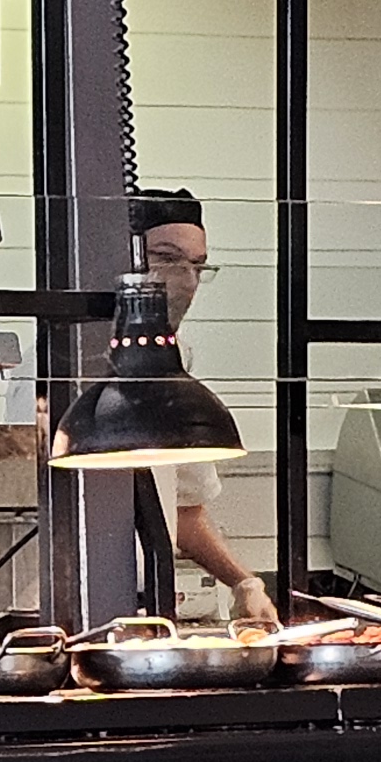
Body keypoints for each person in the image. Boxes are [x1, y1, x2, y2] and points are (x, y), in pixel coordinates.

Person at [134, 191, 276, 624]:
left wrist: (244, 582)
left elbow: (184, 510)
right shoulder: (61, 361)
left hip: (153, 599)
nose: (188, 281)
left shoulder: (174, 361)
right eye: (167, 259)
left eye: (197, 266)